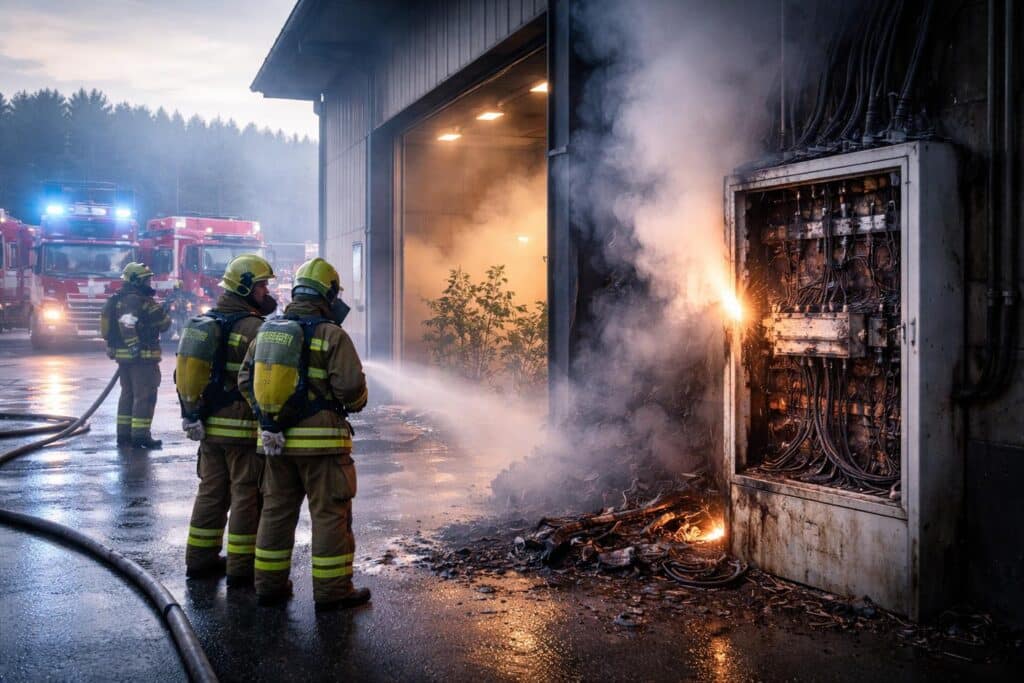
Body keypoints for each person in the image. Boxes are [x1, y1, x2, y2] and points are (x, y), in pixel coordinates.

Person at [238, 257, 370, 612]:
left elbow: (245, 380)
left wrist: (269, 418)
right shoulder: (332, 335)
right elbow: (352, 390)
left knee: (275, 513)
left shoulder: (266, 331)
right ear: (327, 294)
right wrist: (354, 401)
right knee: (329, 515)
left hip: (274, 447)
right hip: (323, 447)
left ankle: (268, 586)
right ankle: (332, 592)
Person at [180, 255, 277, 583]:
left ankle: (199, 559)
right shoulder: (255, 329)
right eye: (262, 284)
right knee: (247, 497)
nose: (266, 291)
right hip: (242, 430)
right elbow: (264, 381)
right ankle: (241, 567)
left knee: (211, 492)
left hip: (208, 428)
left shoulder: (208, 321)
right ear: (246, 286)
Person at [101, 262, 171, 449]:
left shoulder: (121, 299)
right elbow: (162, 324)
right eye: (147, 279)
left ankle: (124, 434)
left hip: (126, 357)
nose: (150, 283)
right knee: (144, 396)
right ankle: (140, 436)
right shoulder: (138, 300)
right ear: (137, 280)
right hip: (142, 358)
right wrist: (135, 346)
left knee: (128, 395)